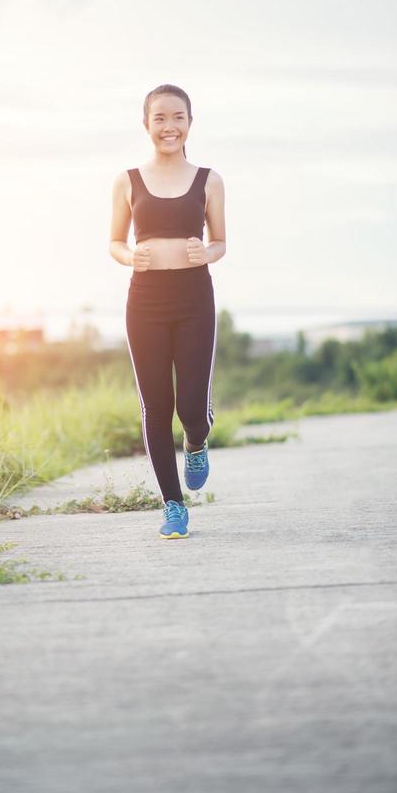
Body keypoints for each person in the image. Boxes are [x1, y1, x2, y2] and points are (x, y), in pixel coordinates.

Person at [109, 84, 227, 539]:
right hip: (145, 301)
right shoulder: (128, 180)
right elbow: (115, 241)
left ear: (190, 124)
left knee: (191, 407)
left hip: (195, 298)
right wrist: (127, 257)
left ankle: (196, 441)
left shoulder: (209, 180)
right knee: (156, 406)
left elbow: (221, 240)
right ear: (146, 125)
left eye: (177, 117)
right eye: (159, 118)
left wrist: (208, 252)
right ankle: (173, 506)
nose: (169, 126)